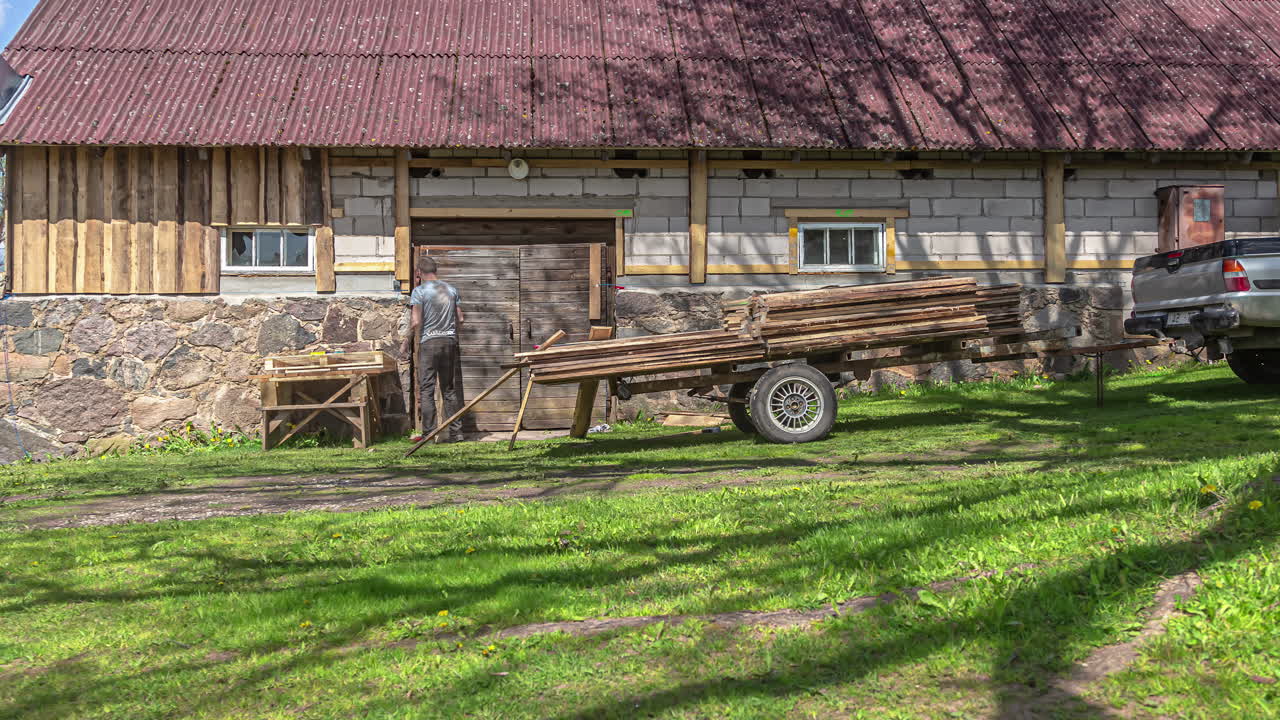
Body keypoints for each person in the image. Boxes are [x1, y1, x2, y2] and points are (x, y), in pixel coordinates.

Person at [401, 256, 465, 443]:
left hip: (429, 343)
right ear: (435, 270)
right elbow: (460, 319)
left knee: (427, 389)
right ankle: (457, 433)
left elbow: (416, 321)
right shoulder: (451, 290)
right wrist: (451, 334)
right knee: (449, 389)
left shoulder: (419, 292)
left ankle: (429, 434)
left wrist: (406, 341)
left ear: (419, 273)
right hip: (449, 342)